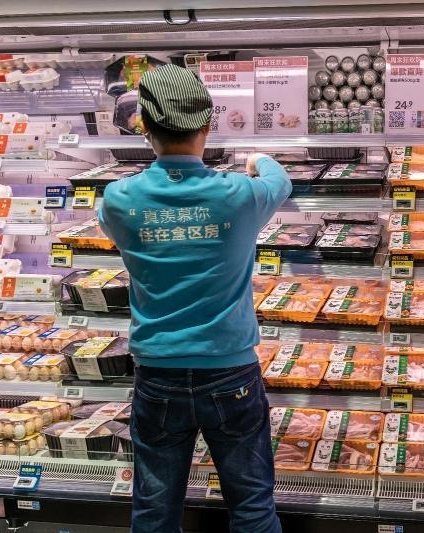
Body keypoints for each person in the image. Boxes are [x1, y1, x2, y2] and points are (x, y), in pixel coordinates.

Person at [98, 64, 291, 533]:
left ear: (145, 126)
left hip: (157, 374)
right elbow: (280, 181)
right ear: (208, 124)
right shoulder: (239, 194)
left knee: (154, 511)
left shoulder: (118, 199)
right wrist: (259, 158)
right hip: (231, 371)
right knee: (252, 507)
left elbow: (113, 229)